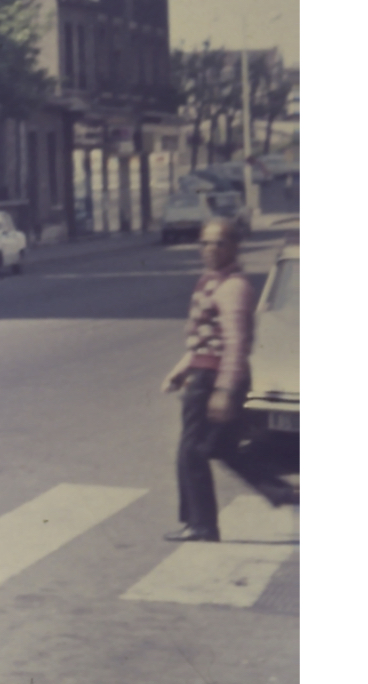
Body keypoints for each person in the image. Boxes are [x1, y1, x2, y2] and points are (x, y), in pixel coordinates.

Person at [159, 217, 297, 541]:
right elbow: (206, 340)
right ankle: (282, 493)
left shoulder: (233, 287)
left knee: (191, 450)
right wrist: (181, 370)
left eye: (219, 243)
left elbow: (236, 344)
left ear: (234, 247)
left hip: (215, 379)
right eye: (205, 243)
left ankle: (201, 524)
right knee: (224, 448)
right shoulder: (210, 281)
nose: (210, 249)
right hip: (208, 374)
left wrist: (223, 390)